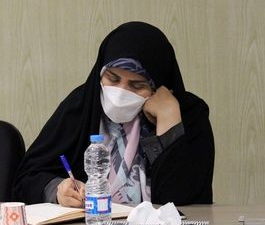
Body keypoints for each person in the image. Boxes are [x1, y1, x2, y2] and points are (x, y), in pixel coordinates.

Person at [12, 21, 214, 207]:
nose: (120, 93)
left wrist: (169, 122)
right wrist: (56, 190)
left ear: (159, 85)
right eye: (112, 79)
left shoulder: (189, 114)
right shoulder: (81, 106)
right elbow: (27, 179)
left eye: (137, 85)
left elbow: (183, 201)